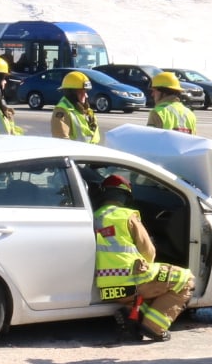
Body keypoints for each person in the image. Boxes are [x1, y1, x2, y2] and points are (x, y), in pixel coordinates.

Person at [93, 174, 190, 342]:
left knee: (144, 292)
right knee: (185, 280)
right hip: (132, 278)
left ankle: (133, 317)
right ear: (125, 196)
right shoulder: (127, 215)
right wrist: (148, 268)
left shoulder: (93, 216)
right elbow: (148, 251)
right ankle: (154, 328)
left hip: (106, 284)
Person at [51, 71, 102, 143]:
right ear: (70, 94)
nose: (85, 95)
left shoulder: (86, 110)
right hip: (76, 153)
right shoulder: (62, 111)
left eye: (85, 91)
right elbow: (61, 141)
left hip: (91, 152)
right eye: (80, 92)